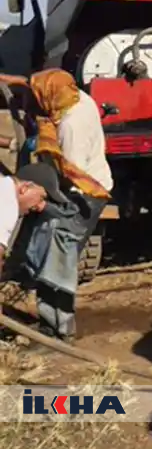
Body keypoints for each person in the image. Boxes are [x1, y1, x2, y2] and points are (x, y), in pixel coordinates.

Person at [0, 69, 114, 340]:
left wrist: (43, 199)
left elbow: (66, 175)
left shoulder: (71, 127)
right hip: (82, 185)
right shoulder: (75, 95)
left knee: (55, 263)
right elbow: (33, 83)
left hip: (79, 195)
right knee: (41, 245)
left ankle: (57, 332)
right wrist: (6, 79)